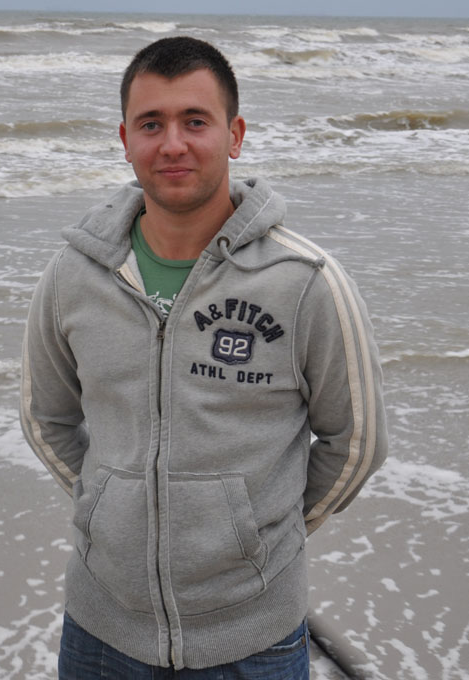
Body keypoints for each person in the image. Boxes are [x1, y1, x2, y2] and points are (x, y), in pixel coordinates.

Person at [20, 36, 387, 679]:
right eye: (150, 124)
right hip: (100, 632)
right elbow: (45, 418)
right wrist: (110, 508)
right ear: (125, 139)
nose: (172, 144)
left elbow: (357, 442)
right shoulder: (73, 275)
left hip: (251, 643)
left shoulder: (305, 281)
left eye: (195, 121)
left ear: (234, 135)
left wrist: (257, 541)